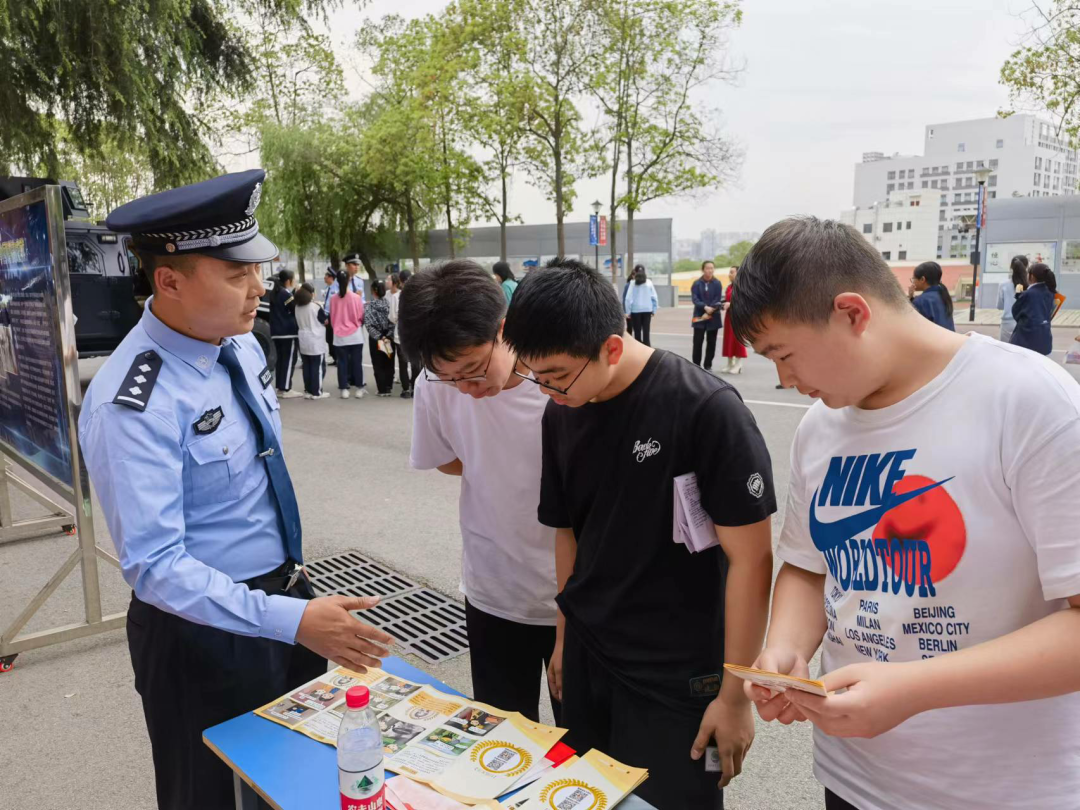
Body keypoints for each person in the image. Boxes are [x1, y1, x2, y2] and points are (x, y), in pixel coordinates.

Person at [728, 216, 1080, 810]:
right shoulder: (821, 428)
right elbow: (809, 566)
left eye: (784, 355)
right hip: (853, 779)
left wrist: (912, 690)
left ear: (852, 312)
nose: (785, 381)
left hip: (1003, 791)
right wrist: (786, 647)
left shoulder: (1030, 401)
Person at [79, 170, 392, 810]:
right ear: (169, 280)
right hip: (201, 637)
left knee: (293, 783)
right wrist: (292, 618)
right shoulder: (132, 402)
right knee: (210, 798)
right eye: (235, 274)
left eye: (256, 269)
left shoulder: (240, 346)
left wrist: (294, 606)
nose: (258, 290)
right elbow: (156, 566)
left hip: (282, 606)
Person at [501, 258, 776, 810]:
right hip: (589, 656)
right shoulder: (561, 412)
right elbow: (567, 532)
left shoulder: (705, 409)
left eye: (556, 375)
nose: (546, 389)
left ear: (610, 347)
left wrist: (735, 695)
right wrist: (562, 638)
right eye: (534, 375)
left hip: (676, 676)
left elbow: (753, 561)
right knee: (585, 799)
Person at [399, 259, 559, 723]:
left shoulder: (561, 379)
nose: (465, 389)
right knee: (504, 742)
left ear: (505, 329)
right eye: (449, 377)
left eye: (474, 369)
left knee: (585, 748)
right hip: (494, 592)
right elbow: (448, 459)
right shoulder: (434, 382)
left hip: (576, 598)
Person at [329, 269, 366, 398]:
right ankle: (359, 388)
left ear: (337, 281)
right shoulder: (357, 298)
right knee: (357, 363)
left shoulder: (333, 299)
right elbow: (361, 316)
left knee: (342, 363)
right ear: (349, 280)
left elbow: (332, 318)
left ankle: (344, 389)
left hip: (339, 336)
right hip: (355, 335)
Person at [1011, 262, 1057, 356]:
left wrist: (1019, 296)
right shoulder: (1051, 292)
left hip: (1026, 340)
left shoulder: (1028, 294)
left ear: (1031, 277)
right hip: (1044, 339)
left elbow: (1016, 312)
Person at [270, 268, 302, 397]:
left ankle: (280, 387)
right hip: (288, 332)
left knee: (282, 360)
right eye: (294, 280)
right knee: (289, 360)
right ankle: (286, 389)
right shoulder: (285, 294)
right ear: (289, 281)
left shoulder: (276, 292)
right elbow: (295, 309)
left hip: (277, 332)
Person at [294, 282, 330, 400]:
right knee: (317, 366)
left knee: (307, 366)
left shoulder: (297, 307)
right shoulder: (315, 307)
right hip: (315, 339)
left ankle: (309, 390)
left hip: (303, 339)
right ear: (311, 294)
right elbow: (325, 321)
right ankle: (317, 392)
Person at [365, 280, 396, 396]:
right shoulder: (389, 304)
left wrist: (379, 337)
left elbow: (368, 324)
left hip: (376, 339)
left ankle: (382, 389)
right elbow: (393, 321)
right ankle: (388, 386)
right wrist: (387, 335)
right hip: (388, 337)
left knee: (378, 363)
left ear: (373, 291)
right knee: (388, 361)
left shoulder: (370, 306)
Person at [691, 260, 724, 371]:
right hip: (699, 316)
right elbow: (695, 299)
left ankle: (708, 365)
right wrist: (705, 307)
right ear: (703, 269)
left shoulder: (717, 283)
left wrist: (711, 309)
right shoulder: (697, 283)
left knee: (711, 342)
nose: (710, 270)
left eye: (711, 268)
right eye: (707, 268)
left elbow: (717, 298)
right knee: (697, 342)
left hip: (713, 316)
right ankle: (696, 365)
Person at [908, 261, 955, 331]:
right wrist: (912, 298)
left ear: (922, 279)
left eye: (914, 279)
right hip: (950, 339)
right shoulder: (943, 295)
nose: (913, 282)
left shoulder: (920, 301)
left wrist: (911, 300)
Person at [396, 269, 421, 398]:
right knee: (416, 362)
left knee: (403, 363)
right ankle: (415, 388)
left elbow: (396, 316)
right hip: (416, 333)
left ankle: (406, 389)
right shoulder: (418, 293)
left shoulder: (401, 295)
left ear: (400, 281)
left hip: (403, 333)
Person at [720, 266, 747, 374]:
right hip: (729, 316)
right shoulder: (729, 287)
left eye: (732, 272)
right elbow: (726, 300)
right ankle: (730, 362)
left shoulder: (742, 287)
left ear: (738, 273)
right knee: (728, 339)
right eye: (729, 272)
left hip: (738, 316)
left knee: (738, 340)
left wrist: (730, 304)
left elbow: (745, 302)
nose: (729, 274)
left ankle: (738, 364)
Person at [623, 264, 658, 346]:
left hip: (635, 311)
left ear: (635, 271)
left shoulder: (632, 283)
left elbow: (628, 299)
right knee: (646, 332)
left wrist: (628, 311)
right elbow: (654, 297)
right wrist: (654, 309)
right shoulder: (649, 282)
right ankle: (647, 349)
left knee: (637, 332)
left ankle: (638, 350)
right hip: (647, 310)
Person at [997, 254, 1029, 344]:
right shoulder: (1029, 285)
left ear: (1011, 267)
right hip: (1024, 323)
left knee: (1005, 352)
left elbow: (999, 306)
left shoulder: (1003, 284)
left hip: (1007, 323)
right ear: (1026, 267)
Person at [321, 267, 337, 365]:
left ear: (331, 277)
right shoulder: (328, 288)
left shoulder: (336, 287)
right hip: (327, 315)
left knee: (333, 337)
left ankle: (337, 357)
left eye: (326, 277)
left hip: (333, 315)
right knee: (329, 338)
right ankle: (334, 357)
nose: (324, 278)